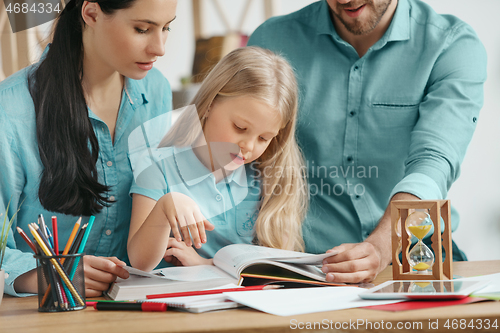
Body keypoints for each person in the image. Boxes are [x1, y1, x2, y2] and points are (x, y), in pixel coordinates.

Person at [247, 0, 487, 283]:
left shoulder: (450, 45)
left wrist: (381, 246)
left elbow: (433, 162)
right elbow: (244, 160)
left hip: (415, 263)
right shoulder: (272, 41)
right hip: (308, 270)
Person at [0, 0, 177, 297]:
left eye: (167, 27)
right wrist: (46, 274)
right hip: (45, 313)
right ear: (91, 13)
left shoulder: (156, 90)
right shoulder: (11, 109)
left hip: (139, 304)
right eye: (142, 29)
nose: (159, 48)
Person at [127, 46, 308, 272]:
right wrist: (165, 206)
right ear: (210, 104)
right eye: (240, 127)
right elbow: (140, 262)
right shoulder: (158, 167)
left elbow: (279, 264)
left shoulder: (268, 176)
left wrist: (206, 265)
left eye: (264, 138)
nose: (249, 146)